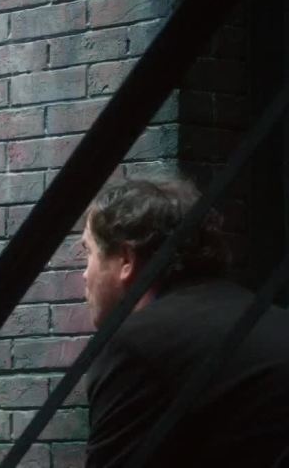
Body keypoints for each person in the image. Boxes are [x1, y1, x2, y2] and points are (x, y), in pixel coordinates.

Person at [82, 177, 289, 467]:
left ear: (126, 260)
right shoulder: (273, 318)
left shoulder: (137, 345)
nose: (85, 274)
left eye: (88, 252)